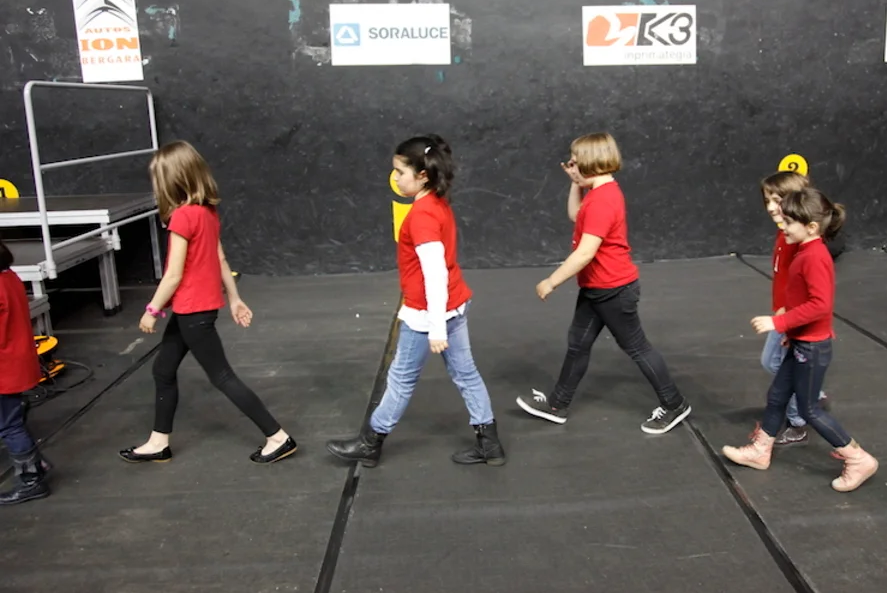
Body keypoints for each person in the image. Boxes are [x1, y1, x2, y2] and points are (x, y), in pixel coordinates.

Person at [326, 134, 505, 468]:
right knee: (466, 375)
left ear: (422, 175)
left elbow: (434, 274)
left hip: (427, 313)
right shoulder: (437, 202)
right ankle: (490, 444)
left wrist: (436, 327)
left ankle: (370, 442)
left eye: (400, 172)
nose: (395, 178)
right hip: (453, 305)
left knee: (401, 379)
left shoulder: (422, 216)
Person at [119, 141, 296, 465]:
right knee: (163, 369)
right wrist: (235, 298)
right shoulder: (206, 213)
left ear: (171, 180)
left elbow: (173, 275)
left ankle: (277, 437)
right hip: (195, 309)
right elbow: (220, 258)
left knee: (222, 376)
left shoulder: (182, 217)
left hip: (192, 311)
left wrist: (152, 311)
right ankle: (158, 441)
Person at [516, 132, 691, 434]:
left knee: (637, 347)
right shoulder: (598, 193)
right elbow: (576, 215)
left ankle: (675, 404)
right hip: (596, 289)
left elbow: (585, 253)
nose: (570, 165)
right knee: (578, 343)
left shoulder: (603, 200)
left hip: (613, 291)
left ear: (591, 162)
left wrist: (552, 281)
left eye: (575, 162)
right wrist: (575, 182)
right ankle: (557, 405)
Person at [723, 188, 878, 492]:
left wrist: (779, 322)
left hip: (812, 349)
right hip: (801, 343)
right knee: (777, 395)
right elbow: (803, 298)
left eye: (789, 221)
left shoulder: (814, 257)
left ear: (811, 226)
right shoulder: (805, 251)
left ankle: (858, 458)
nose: (783, 225)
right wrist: (790, 331)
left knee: (809, 410)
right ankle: (760, 451)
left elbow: (820, 305)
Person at [759, 170, 828, 446]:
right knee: (774, 362)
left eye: (777, 200)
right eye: (767, 200)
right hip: (783, 314)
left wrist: (786, 315)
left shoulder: (801, 244)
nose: (771, 207)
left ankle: (799, 417)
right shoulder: (784, 234)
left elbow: (816, 298)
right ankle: (812, 392)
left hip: (790, 318)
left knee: (775, 363)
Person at [0, 238, 51, 504]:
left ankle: (31, 480)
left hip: (4, 368)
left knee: (9, 426)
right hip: (17, 362)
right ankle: (36, 465)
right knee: (13, 419)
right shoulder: (9, 276)